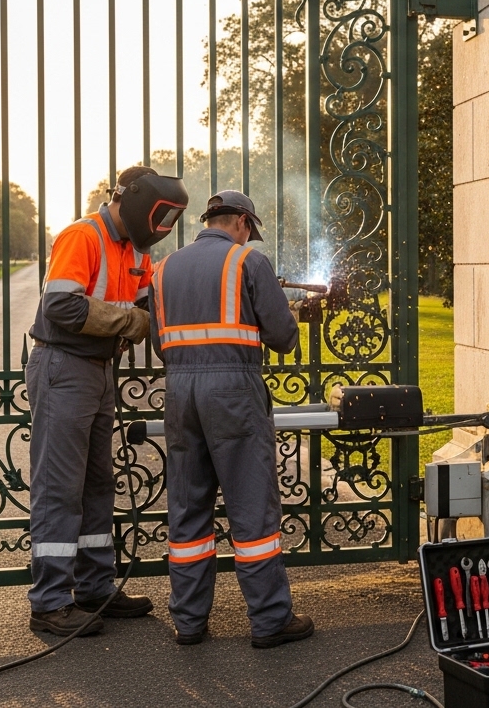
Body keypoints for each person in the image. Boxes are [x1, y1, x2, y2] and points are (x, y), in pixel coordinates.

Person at [26, 165, 189, 635]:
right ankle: (50, 602)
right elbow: (60, 305)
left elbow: (150, 303)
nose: (163, 226)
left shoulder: (134, 250)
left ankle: (95, 588)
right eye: (161, 215)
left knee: (97, 484)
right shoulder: (83, 236)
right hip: (64, 366)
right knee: (60, 487)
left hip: (98, 369)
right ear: (133, 200)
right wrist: (130, 322)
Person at [150, 190, 313, 648]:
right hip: (232, 391)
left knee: (187, 507)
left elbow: (161, 344)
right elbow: (282, 337)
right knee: (251, 504)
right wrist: (288, 312)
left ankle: (188, 621)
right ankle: (270, 619)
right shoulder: (248, 262)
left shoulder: (163, 269)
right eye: (249, 230)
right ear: (242, 221)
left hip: (180, 392)